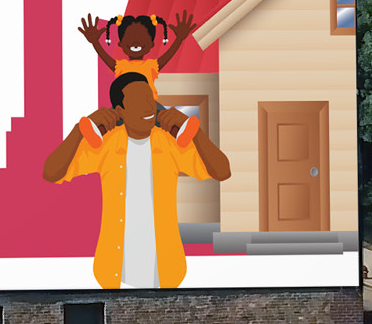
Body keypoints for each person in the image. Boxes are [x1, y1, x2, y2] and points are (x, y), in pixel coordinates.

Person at [39, 72, 231, 289]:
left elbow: (222, 172)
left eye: (150, 99)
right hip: (114, 275)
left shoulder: (169, 144)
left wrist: (194, 132)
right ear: (120, 111)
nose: (149, 107)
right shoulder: (106, 145)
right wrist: (80, 130)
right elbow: (51, 172)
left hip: (166, 273)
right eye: (139, 101)